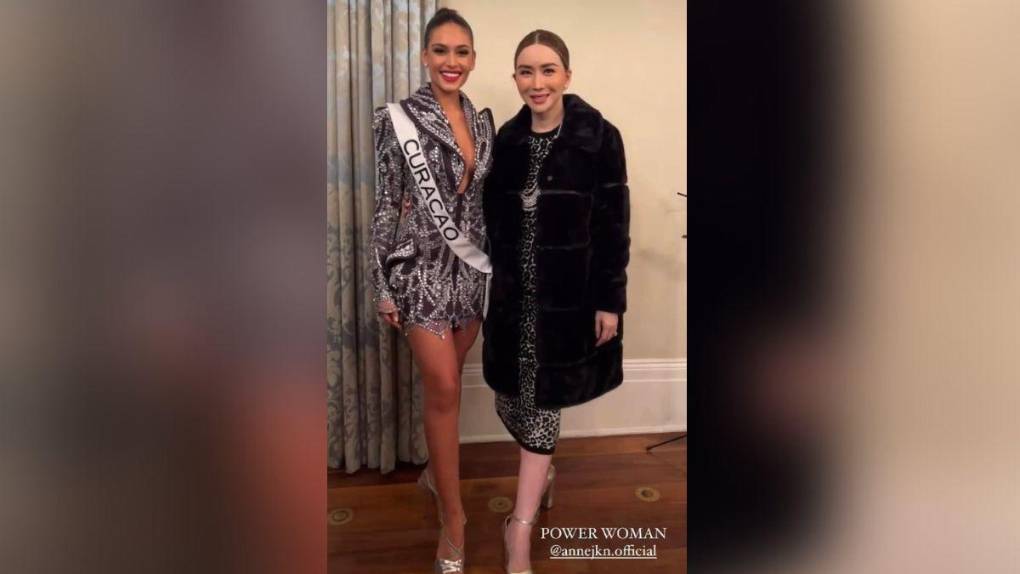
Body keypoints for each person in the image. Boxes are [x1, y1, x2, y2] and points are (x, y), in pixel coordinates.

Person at [482, 29, 631, 574]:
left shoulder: (599, 138)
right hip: (512, 300)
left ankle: (518, 528)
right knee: (510, 400)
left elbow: (614, 226)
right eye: (526, 71)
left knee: (543, 406)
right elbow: (487, 220)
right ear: (515, 78)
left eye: (548, 70)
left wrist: (610, 301)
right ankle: (543, 472)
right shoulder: (506, 141)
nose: (537, 82)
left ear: (567, 74)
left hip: (567, 303)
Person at [370, 8, 494, 574]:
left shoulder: (483, 122)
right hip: (419, 270)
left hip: (470, 274)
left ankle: (432, 475)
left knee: (449, 388)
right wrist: (383, 285)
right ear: (424, 56)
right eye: (441, 50)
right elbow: (385, 206)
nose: (451, 61)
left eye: (461, 51)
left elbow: (483, 204)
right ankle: (454, 520)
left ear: (473, 59)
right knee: (442, 385)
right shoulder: (396, 119)